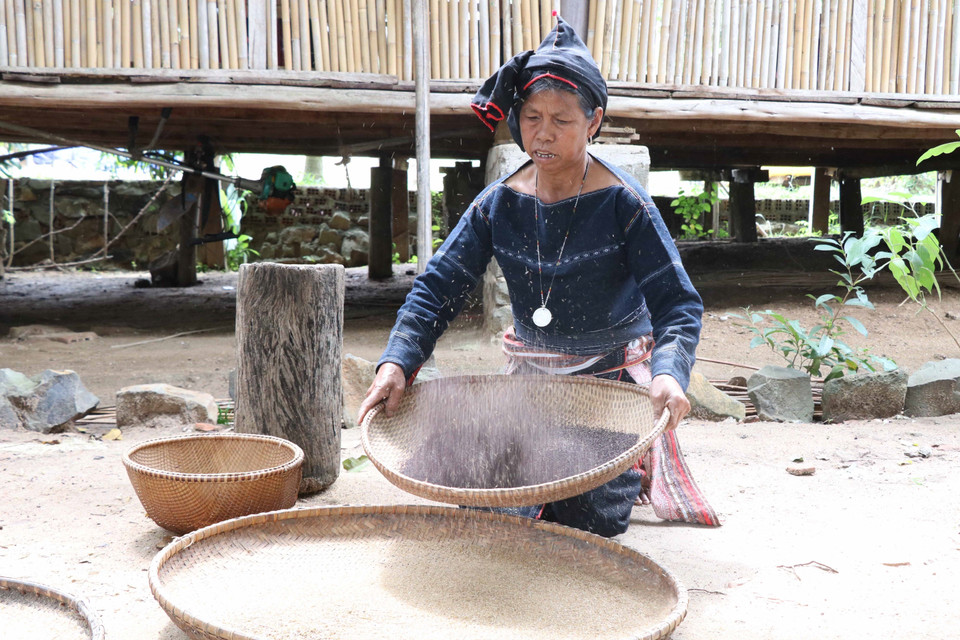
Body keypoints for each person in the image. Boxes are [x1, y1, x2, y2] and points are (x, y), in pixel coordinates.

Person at [358, 14, 718, 536]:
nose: (543, 134)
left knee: (586, 515)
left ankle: (629, 467)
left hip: (609, 386)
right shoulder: (498, 203)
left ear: (593, 122)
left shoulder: (625, 204)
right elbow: (438, 288)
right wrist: (397, 361)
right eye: (531, 117)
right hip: (529, 386)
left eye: (562, 121)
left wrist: (667, 372)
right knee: (482, 492)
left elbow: (677, 305)